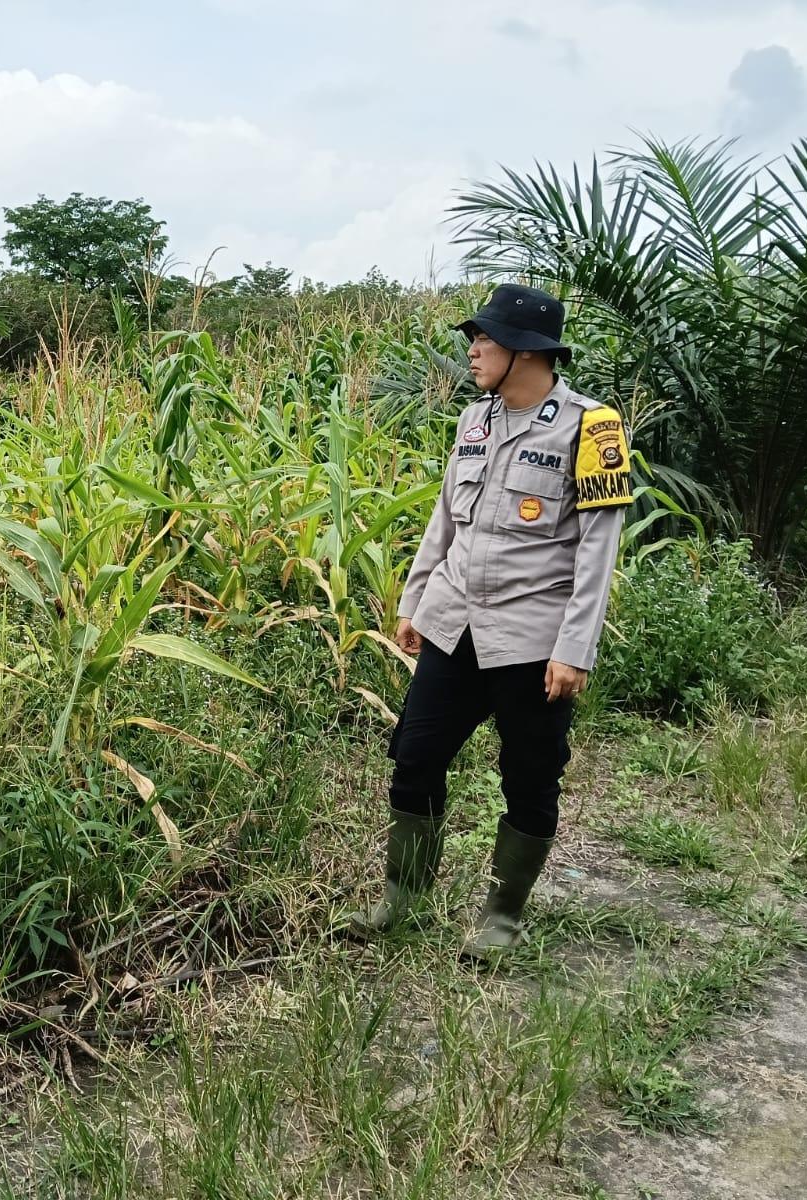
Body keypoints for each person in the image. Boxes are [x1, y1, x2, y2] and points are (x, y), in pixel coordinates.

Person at [346, 283, 632, 961]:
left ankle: (503, 917)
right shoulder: (475, 419)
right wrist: (416, 603)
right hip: (456, 623)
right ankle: (401, 899)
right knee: (414, 757)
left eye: (486, 339)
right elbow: (445, 518)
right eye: (475, 338)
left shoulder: (594, 428)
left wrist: (575, 650)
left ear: (527, 352)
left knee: (529, 775)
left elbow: (598, 551)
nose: (472, 350)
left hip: (533, 636)